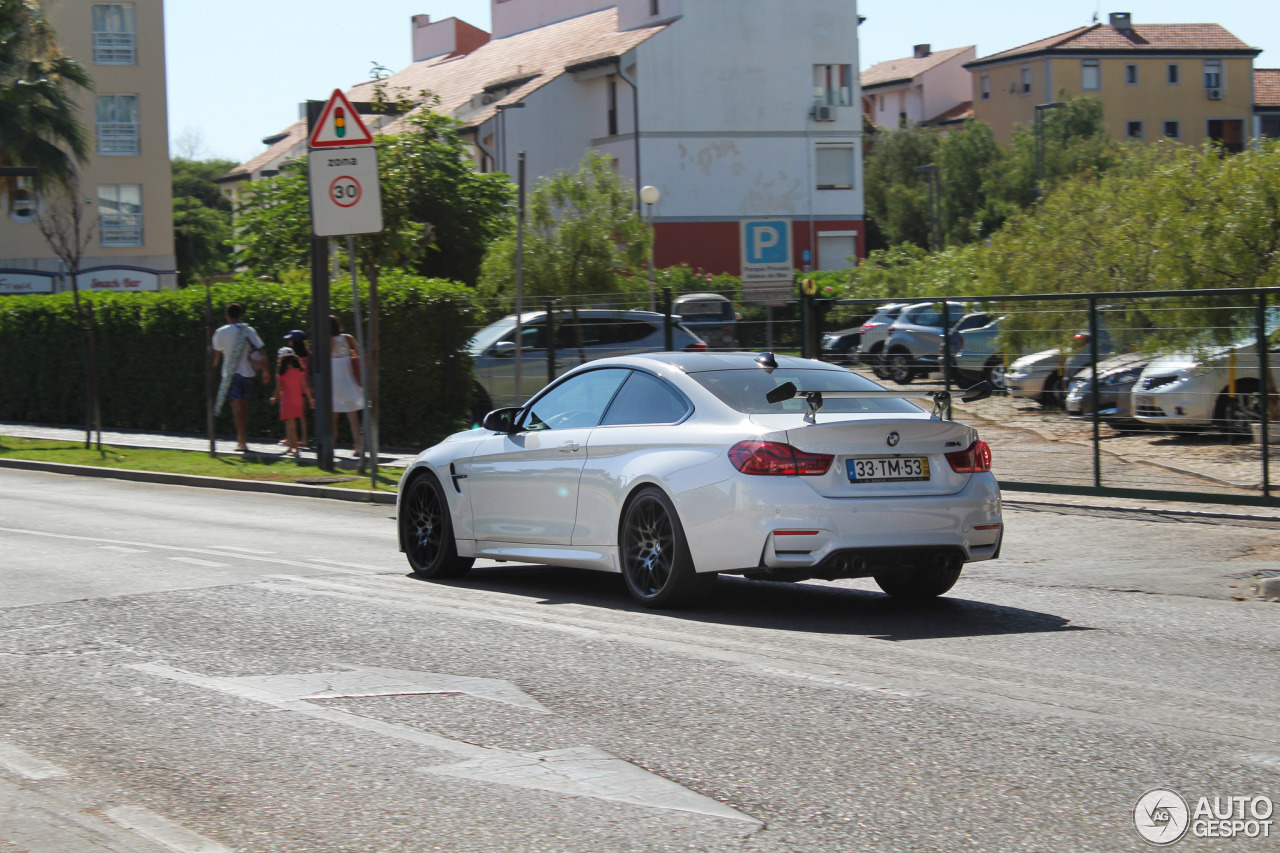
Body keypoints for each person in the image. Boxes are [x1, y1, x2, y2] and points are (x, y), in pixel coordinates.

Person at [212, 302, 269, 452]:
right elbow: (262, 351)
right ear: (240, 315)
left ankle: (241, 440)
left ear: (227, 316)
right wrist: (266, 371)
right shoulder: (248, 330)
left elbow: (216, 357)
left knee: (236, 408)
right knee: (244, 407)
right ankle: (242, 439)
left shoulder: (220, 332)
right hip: (248, 373)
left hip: (231, 374)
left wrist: (210, 372)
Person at [268, 346, 314, 456]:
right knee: (291, 425)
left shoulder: (282, 374)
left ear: (282, 360)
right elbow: (305, 387)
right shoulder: (299, 372)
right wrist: (310, 399)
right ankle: (290, 447)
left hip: (287, 401)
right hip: (297, 400)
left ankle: (296, 450)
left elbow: (278, 390)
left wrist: (274, 398)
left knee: (291, 426)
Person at [330, 315, 364, 455]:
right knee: (353, 415)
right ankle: (358, 446)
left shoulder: (328, 340)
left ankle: (330, 445)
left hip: (334, 375)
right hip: (348, 374)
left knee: (332, 415)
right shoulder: (348, 338)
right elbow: (359, 352)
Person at [282, 330, 311, 447]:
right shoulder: (306, 356)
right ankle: (301, 439)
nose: (289, 342)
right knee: (301, 414)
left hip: (296, 388)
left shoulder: (295, 358)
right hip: (304, 388)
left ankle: (293, 440)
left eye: (290, 340)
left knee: (292, 415)